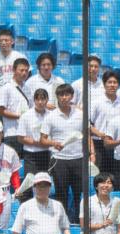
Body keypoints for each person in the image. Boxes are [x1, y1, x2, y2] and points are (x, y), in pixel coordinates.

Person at [40, 83, 86, 222]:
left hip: (78, 158)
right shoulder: (50, 116)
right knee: (61, 194)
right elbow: (42, 139)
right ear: (57, 97)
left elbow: (87, 134)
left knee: (79, 193)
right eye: (61, 95)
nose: (64, 97)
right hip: (59, 160)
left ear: (72, 96)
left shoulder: (80, 114)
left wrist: (92, 153)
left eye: (67, 94)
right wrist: (54, 143)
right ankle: (62, 223)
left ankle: (79, 223)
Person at [90, 70, 120, 177]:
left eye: (115, 82)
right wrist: (100, 134)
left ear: (119, 85)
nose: (112, 85)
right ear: (104, 84)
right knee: (101, 176)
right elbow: (87, 124)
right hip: (99, 144)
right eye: (109, 82)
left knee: (116, 175)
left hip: (117, 144)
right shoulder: (96, 102)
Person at [0, 57, 30, 156]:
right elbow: (1, 110)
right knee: (11, 164)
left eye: (26, 71)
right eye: (21, 70)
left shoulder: (28, 88)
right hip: (12, 134)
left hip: (27, 134)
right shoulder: (6, 88)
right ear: (14, 70)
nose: (24, 73)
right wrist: (20, 116)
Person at [16, 88, 52, 178]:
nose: (40, 102)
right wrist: (37, 143)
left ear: (47, 100)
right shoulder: (26, 116)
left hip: (46, 153)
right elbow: (20, 138)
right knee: (30, 181)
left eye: (43, 99)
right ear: (34, 100)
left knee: (45, 181)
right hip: (31, 155)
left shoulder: (52, 115)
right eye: (37, 99)